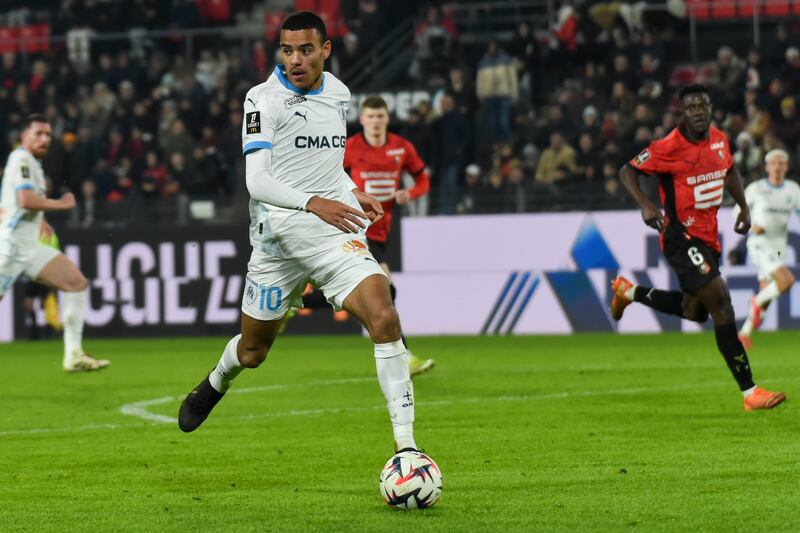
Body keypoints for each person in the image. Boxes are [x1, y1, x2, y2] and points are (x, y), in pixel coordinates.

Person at [178, 12, 422, 456]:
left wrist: (352, 189)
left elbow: (328, 167)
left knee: (384, 316)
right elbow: (258, 181)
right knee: (253, 352)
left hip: (333, 232)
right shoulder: (261, 100)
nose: (295, 59)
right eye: (287, 50)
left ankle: (407, 449)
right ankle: (215, 381)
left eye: (306, 50)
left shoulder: (339, 94)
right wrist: (316, 202)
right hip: (277, 238)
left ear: (325, 51)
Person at [609, 85, 785, 411]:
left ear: (711, 107)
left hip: (709, 238)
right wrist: (646, 204)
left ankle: (628, 293)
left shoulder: (719, 139)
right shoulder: (668, 147)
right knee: (723, 305)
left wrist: (744, 209)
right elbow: (627, 171)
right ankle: (750, 392)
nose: (699, 112)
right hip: (679, 237)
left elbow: (729, 170)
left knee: (696, 311)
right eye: (691, 108)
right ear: (682, 112)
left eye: (703, 105)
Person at [300, 95, 434, 376]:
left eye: (380, 117)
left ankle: (298, 301)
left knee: (378, 289)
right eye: (370, 117)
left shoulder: (401, 148)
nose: (375, 122)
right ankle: (404, 357)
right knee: (386, 287)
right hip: (356, 225)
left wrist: (410, 193)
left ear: (387, 118)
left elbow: (423, 179)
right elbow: (327, 176)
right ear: (362, 120)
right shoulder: (351, 148)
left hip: (383, 228)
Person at [0, 114, 109, 372]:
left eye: (48, 134)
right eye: (38, 133)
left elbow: (20, 204)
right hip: (9, 249)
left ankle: (73, 354)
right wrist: (60, 204)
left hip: (29, 247)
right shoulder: (22, 159)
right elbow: (26, 200)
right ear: (24, 136)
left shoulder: (34, 165)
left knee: (75, 282)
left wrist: (40, 219)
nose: (44, 139)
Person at [737, 149, 800, 348]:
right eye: (774, 163)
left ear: (786, 167)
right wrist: (752, 225)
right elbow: (738, 213)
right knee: (786, 280)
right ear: (767, 167)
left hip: (778, 247)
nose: (778, 167)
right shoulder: (756, 189)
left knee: (768, 293)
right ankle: (755, 303)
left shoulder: (793, 190)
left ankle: (744, 332)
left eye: (781, 163)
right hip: (759, 244)